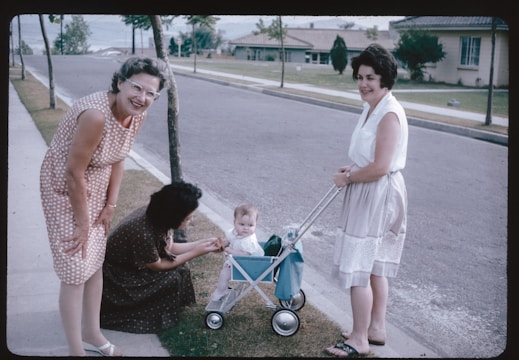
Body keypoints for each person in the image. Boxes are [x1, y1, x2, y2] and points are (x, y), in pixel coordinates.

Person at [39, 56, 168, 356]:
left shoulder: (137, 114)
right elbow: (73, 173)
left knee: (95, 262)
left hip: (97, 182)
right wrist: (84, 223)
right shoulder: (95, 115)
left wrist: (111, 203)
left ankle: (91, 332)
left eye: (151, 93)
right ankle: (76, 351)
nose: (143, 98)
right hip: (65, 187)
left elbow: (120, 154)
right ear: (120, 82)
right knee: (74, 267)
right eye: (137, 88)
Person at [324, 43, 408, 358]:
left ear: (385, 78)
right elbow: (371, 157)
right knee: (372, 266)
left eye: (370, 77)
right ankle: (375, 329)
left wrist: (348, 178)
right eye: (360, 77)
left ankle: (359, 339)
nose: (363, 84)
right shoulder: (372, 106)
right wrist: (355, 167)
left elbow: (382, 166)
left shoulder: (389, 113)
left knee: (360, 264)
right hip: (371, 186)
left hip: (378, 192)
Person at [100, 182, 222, 334]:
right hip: (118, 278)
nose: (191, 220)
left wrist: (203, 244)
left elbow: (168, 248)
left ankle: (164, 306)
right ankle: (144, 311)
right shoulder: (142, 231)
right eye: (188, 218)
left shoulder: (159, 215)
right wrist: (196, 251)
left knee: (180, 266)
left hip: (133, 265)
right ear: (174, 216)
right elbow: (157, 266)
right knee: (171, 276)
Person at [210, 203, 264, 301]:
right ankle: (222, 290)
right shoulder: (234, 232)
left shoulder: (249, 241)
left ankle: (221, 292)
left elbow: (245, 254)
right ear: (235, 222)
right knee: (224, 272)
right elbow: (229, 240)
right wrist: (223, 243)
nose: (246, 228)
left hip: (250, 265)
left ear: (256, 225)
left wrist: (230, 250)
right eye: (242, 224)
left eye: (251, 225)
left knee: (224, 274)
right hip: (239, 262)